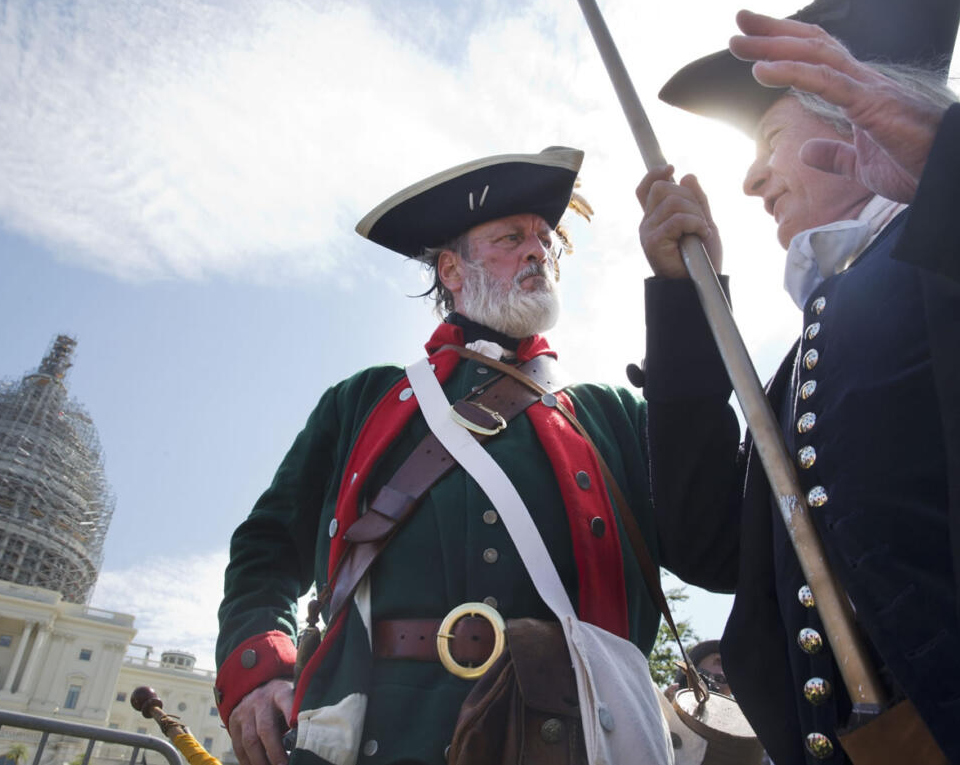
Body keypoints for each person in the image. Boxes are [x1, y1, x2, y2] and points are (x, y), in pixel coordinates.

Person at [634, 0, 960, 763]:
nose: (751, 181)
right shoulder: (797, 368)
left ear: (861, 114)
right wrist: (688, 301)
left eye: (773, 137)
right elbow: (707, 543)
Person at [214, 146, 737, 765]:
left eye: (545, 240)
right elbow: (267, 547)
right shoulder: (361, 401)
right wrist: (261, 669)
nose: (537, 251)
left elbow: (718, 552)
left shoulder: (612, 417)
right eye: (511, 237)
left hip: (569, 741)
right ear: (452, 270)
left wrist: (686, 296)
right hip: (374, 735)